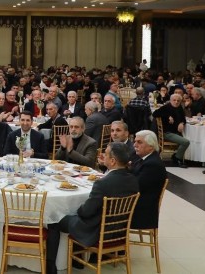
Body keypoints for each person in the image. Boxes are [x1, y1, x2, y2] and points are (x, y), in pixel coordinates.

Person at [46, 142, 139, 274]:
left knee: (54, 220)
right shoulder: (133, 180)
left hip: (97, 231)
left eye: (106, 154)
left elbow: (86, 212)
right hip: (120, 231)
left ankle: (50, 266)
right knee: (76, 216)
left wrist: (76, 209)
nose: (102, 155)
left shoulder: (102, 183)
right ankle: (77, 259)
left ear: (113, 161)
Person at [130, 130, 168, 230]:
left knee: (103, 207)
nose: (135, 145)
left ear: (151, 146)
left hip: (141, 212)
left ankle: (109, 236)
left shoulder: (152, 164)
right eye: (135, 141)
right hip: (137, 203)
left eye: (139, 142)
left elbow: (134, 186)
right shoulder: (145, 158)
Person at [152, 93, 190, 168]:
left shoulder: (179, 108)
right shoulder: (166, 107)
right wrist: (167, 116)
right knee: (186, 142)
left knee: (189, 139)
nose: (176, 102)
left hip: (176, 132)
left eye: (178, 101)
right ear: (170, 100)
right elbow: (154, 114)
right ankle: (177, 158)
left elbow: (183, 119)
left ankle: (179, 156)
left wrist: (182, 123)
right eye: (174, 100)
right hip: (167, 133)